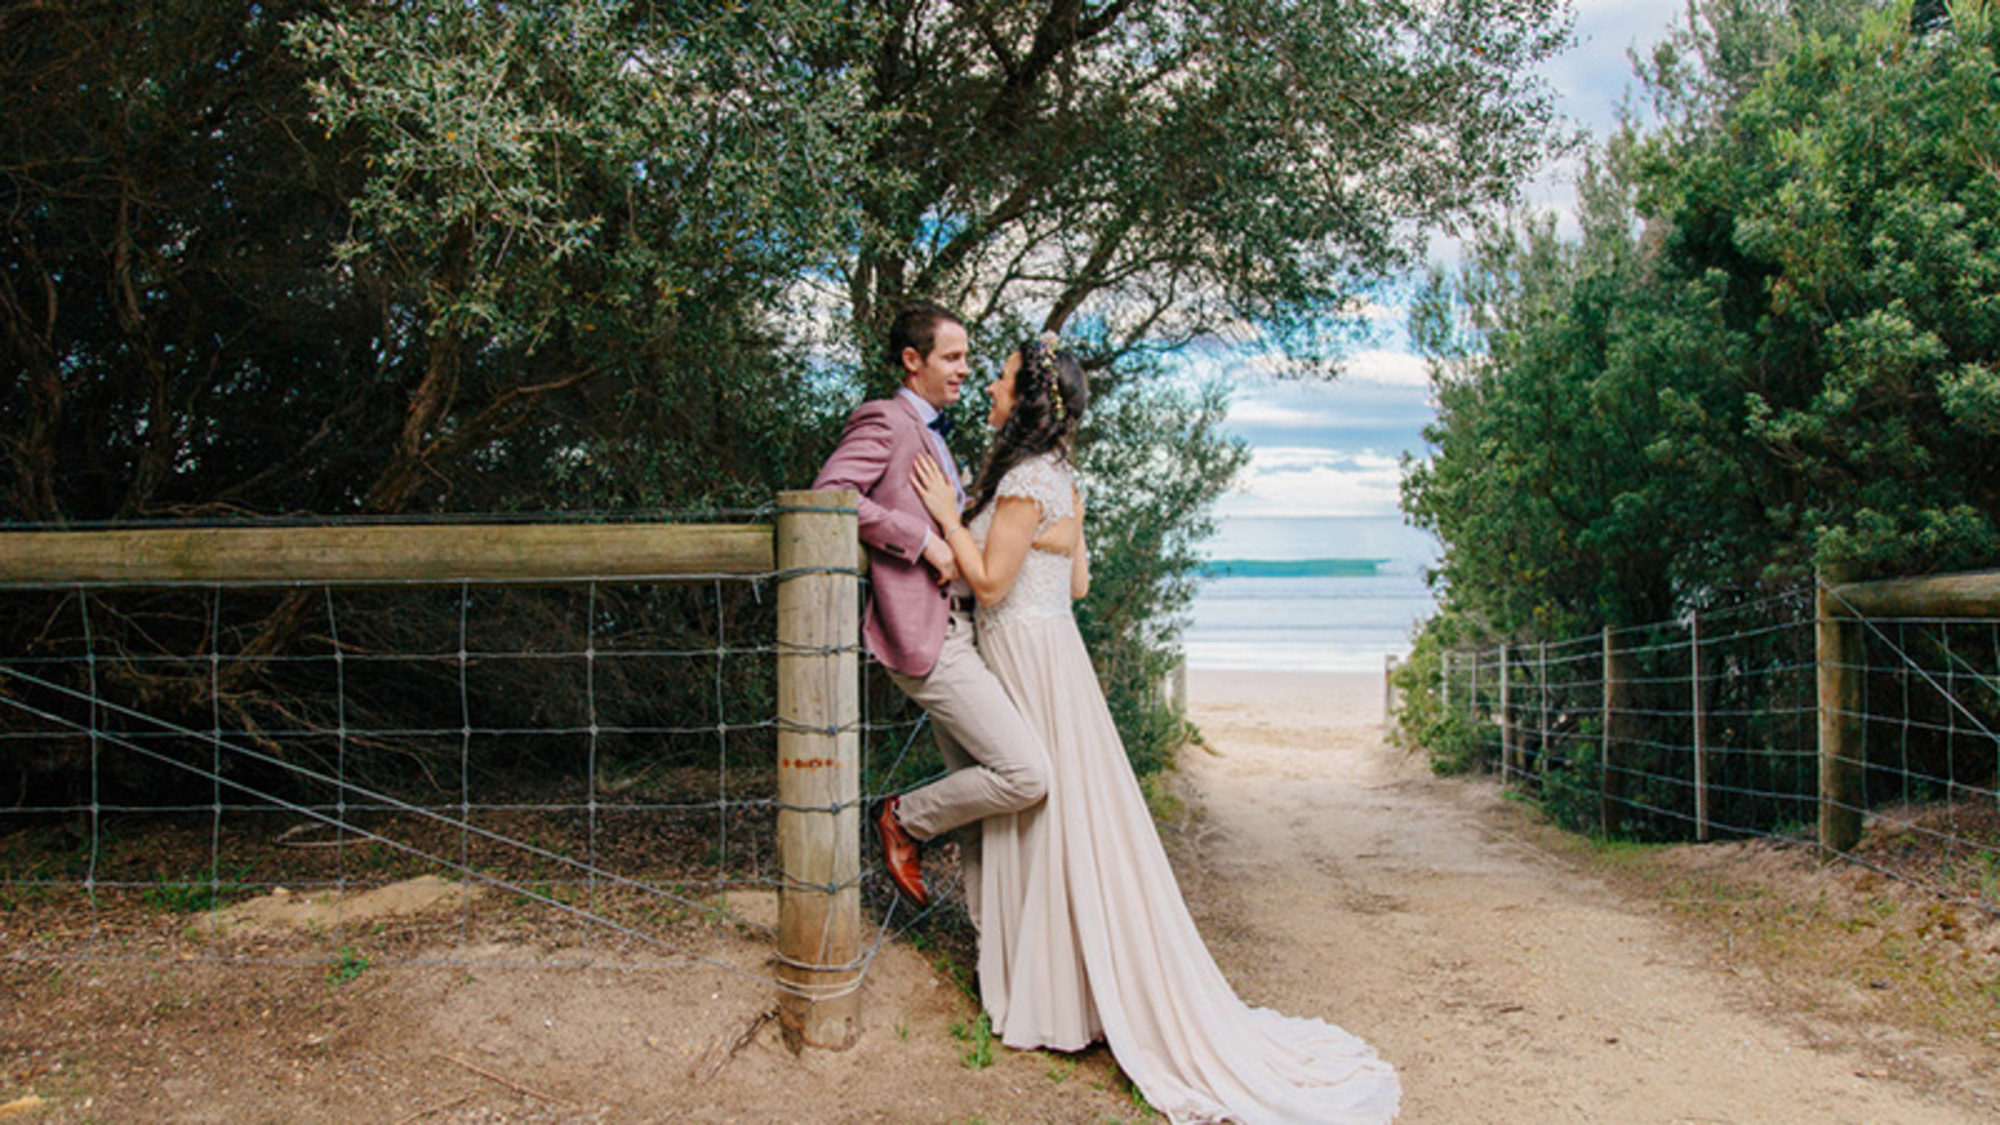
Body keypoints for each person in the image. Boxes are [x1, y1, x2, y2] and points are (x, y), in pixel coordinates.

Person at [911, 333, 1402, 1124]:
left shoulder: (1027, 477)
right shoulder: (1056, 477)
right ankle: (1064, 988)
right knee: (1060, 818)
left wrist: (948, 520)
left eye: (1001, 381)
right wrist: (1023, 531)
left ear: (1027, 400)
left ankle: (1055, 994)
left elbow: (994, 585)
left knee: (1045, 815)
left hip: (1027, 656)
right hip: (1053, 657)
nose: (992, 391)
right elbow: (1078, 578)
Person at [811, 300, 1050, 910]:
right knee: (1024, 773)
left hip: (964, 632)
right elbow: (829, 495)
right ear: (912, 361)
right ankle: (902, 818)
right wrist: (923, 544)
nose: (966, 368)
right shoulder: (885, 420)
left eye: (969, 357)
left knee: (982, 803)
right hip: (927, 637)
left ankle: (989, 950)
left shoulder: (935, 437)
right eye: (953, 356)